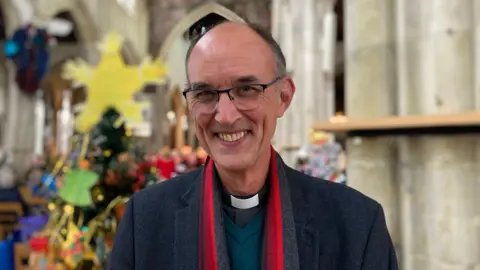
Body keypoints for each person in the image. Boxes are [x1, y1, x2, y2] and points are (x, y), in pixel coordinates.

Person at [108, 21, 398, 270]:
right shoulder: (144, 220)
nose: (225, 115)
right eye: (205, 94)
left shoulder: (356, 224)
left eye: (246, 89)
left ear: (283, 97)